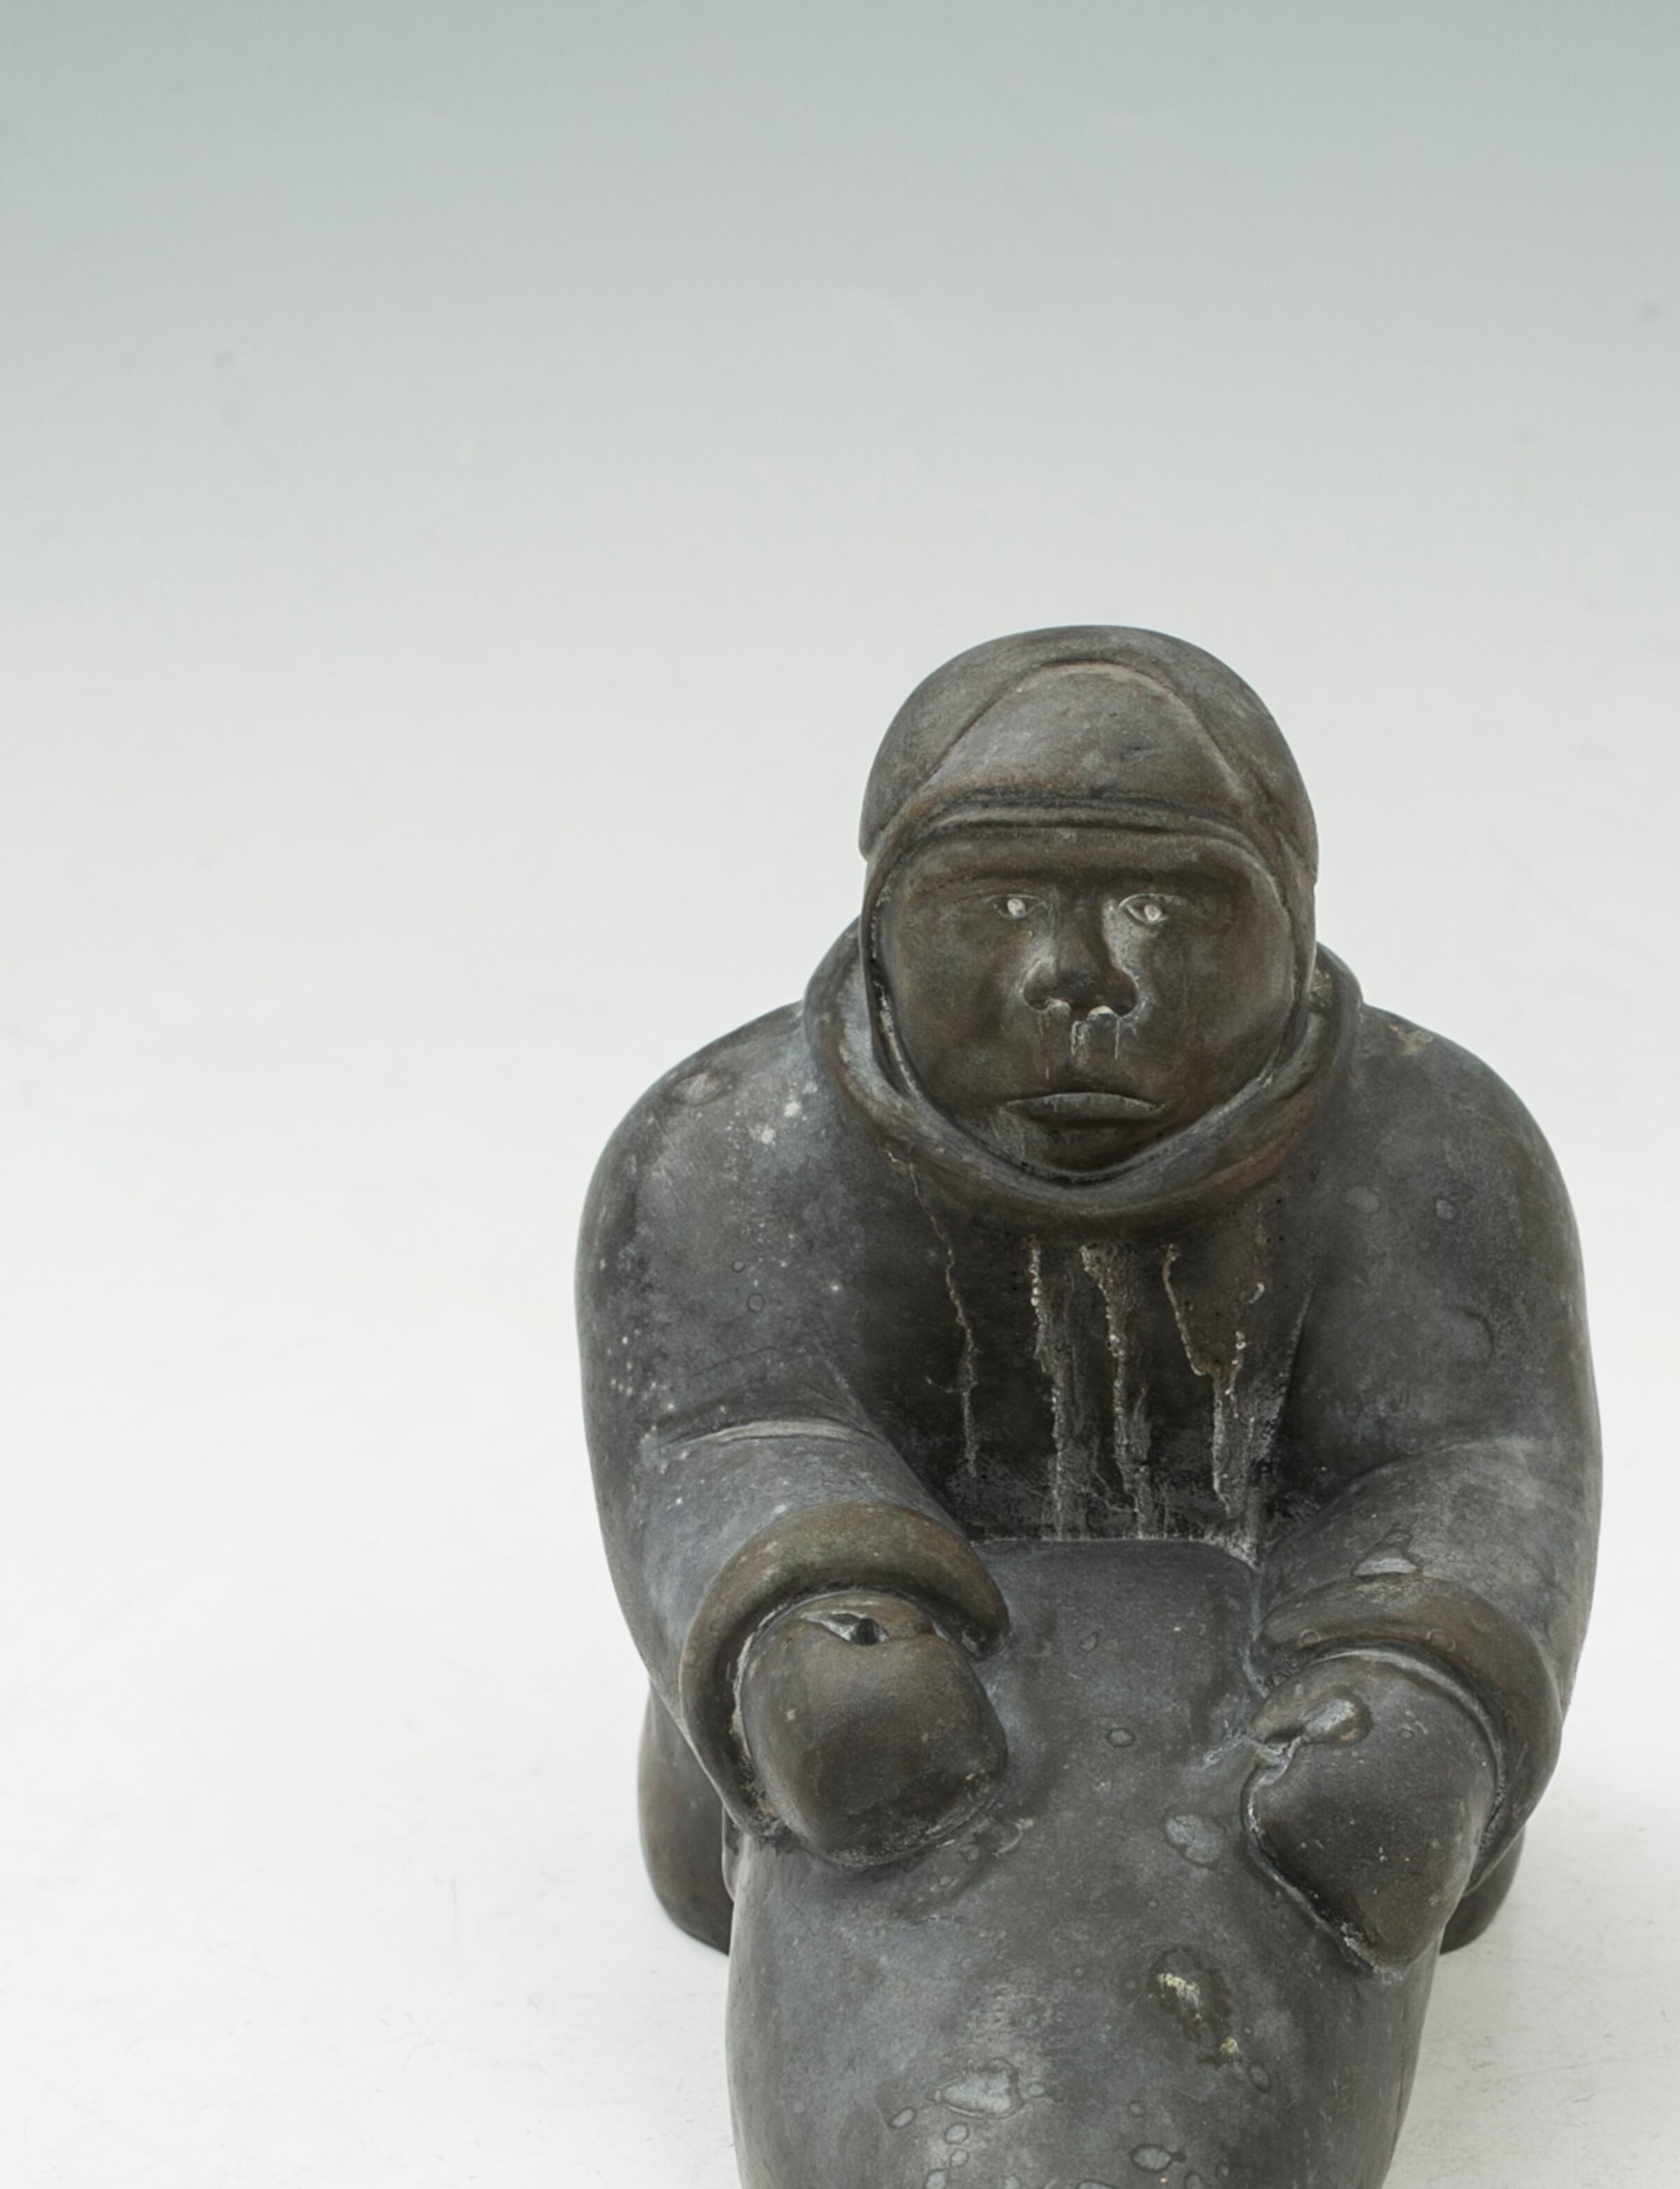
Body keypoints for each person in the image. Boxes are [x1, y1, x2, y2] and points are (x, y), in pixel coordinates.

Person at [579, 626, 1598, 1976]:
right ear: (885, 924)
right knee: (847, 1739)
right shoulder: (721, 1151)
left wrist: (1418, 1677)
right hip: (854, 1699)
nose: (1079, 978)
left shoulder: (1431, 1148)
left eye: (1163, 908)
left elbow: (1475, 1460)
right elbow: (718, 1431)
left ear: (1288, 920)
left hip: (1295, 1690)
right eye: (999, 905)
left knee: (1378, 1809)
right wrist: (809, 1608)